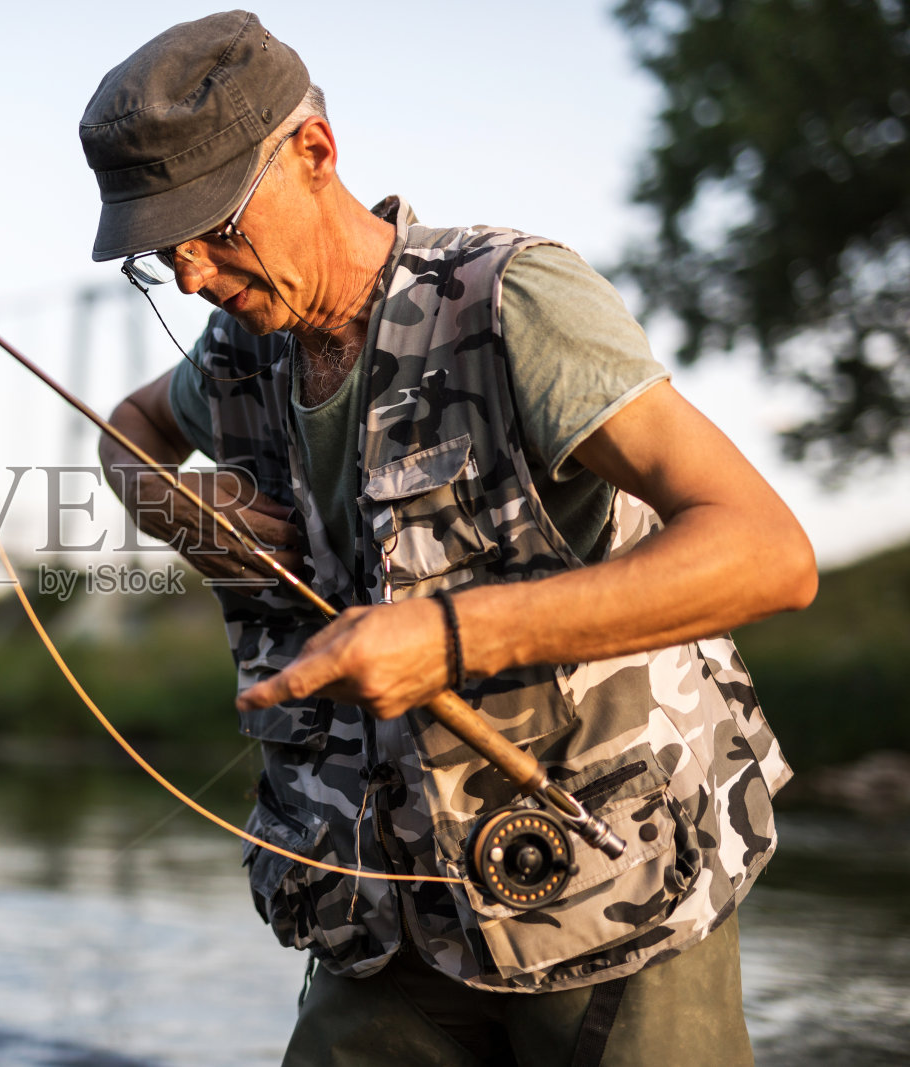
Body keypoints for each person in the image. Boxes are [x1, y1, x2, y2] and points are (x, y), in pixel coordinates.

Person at [81, 11, 817, 1066]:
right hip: (375, 915)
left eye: (213, 228)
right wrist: (176, 507)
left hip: (612, 896)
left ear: (314, 152)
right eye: (160, 253)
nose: (192, 275)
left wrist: (450, 637)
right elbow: (127, 432)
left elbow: (767, 552)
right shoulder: (241, 347)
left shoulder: (512, 299)